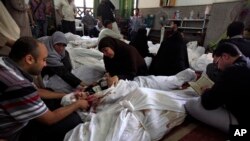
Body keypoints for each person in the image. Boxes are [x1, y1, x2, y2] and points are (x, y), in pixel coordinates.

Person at [0, 37, 89, 141]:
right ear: (29, 59)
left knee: (50, 92)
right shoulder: (19, 85)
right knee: (74, 120)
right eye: (44, 60)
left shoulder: (4, 62)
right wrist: (78, 104)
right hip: (13, 133)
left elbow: (36, 91)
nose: (45, 64)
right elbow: (50, 119)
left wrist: (67, 94)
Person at [185, 43, 250, 136]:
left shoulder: (232, 70)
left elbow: (209, 103)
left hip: (242, 125)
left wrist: (205, 92)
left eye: (216, 62)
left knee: (191, 104)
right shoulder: (247, 62)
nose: (218, 67)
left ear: (225, 56)